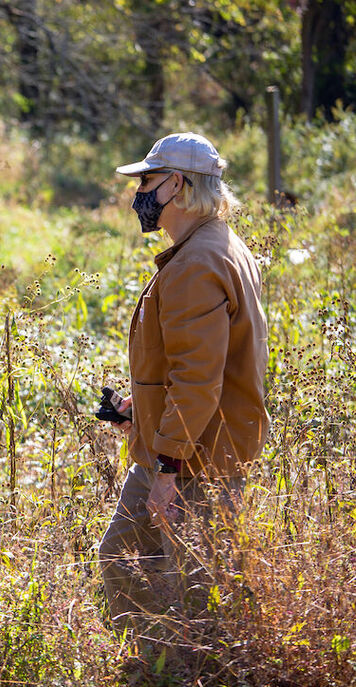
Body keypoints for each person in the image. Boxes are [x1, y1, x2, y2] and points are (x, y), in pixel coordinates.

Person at [97, 133, 269, 660]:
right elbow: (194, 366)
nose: (139, 193)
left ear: (177, 184)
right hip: (187, 448)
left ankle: (173, 669)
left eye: (147, 181)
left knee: (197, 598)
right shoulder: (215, 245)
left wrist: (168, 465)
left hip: (193, 461)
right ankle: (154, 666)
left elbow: (199, 381)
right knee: (129, 562)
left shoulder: (197, 264)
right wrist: (140, 410)